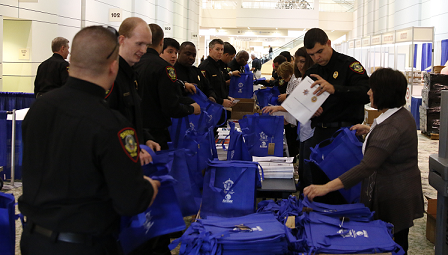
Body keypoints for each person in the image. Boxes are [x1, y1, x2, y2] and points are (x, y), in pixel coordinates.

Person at [19, 26, 160, 255]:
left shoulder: (39, 108)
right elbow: (130, 201)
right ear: (113, 67)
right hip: (83, 245)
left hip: (34, 239)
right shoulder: (111, 124)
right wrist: (149, 188)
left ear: (71, 61)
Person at [303, 68, 424, 255]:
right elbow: (391, 141)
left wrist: (326, 187)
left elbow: (366, 167)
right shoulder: (399, 114)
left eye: (372, 89)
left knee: (394, 243)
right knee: (396, 238)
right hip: (400, 188)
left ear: (383, 92)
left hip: (393, 196)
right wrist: (370, 130)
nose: (368, 93)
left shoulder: (391, 128)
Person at [303, 28, 370, 203]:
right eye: (312, 54)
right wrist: (310, 110)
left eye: (320, 51)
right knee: (320, 186)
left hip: (345, 134)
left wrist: (335, 89)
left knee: (346, 189)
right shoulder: (312, 72)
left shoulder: (348, 65)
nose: (317, 57)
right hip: (320, 135)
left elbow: (365, 93)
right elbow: (303, 104)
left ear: (328, 44)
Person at [135, 24, 200, 151]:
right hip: (156, 132)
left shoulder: (135, 63)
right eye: (170, 52)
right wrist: (190, 109)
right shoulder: (165, 68)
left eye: (175, 52)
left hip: (136, 130)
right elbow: (170, 106)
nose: (174, 56)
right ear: (161, 42)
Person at [105, 18, 161, 167]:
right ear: (122, 40)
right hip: (117, 161)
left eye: (147, 45)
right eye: (139, 44)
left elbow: (131, 119)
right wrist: (132, 148)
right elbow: (106, 125)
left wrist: (145, 138)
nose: (144, 50)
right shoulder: (111, 76)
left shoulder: (131, 75)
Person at [263, 46, 315, 191]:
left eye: (303, 61)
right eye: (298, 61)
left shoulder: (303, 80)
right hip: (303, 125)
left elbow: (297, 103)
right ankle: (303, 185)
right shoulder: (301, 79)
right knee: (303, 158)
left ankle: (306, 188)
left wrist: (279, 109)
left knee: (305, 157)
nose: (300, 65)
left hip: (310, 127)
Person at [199, 39, 235, 108]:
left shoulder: (218, 66)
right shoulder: (205, 67)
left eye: (222, 50)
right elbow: (205, 91)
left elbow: (220, 86)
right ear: (210, 50)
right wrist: (221, 101)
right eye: (217, 49)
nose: (220, 52)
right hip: (211, 107)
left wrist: (227, 98)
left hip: (221, 106)